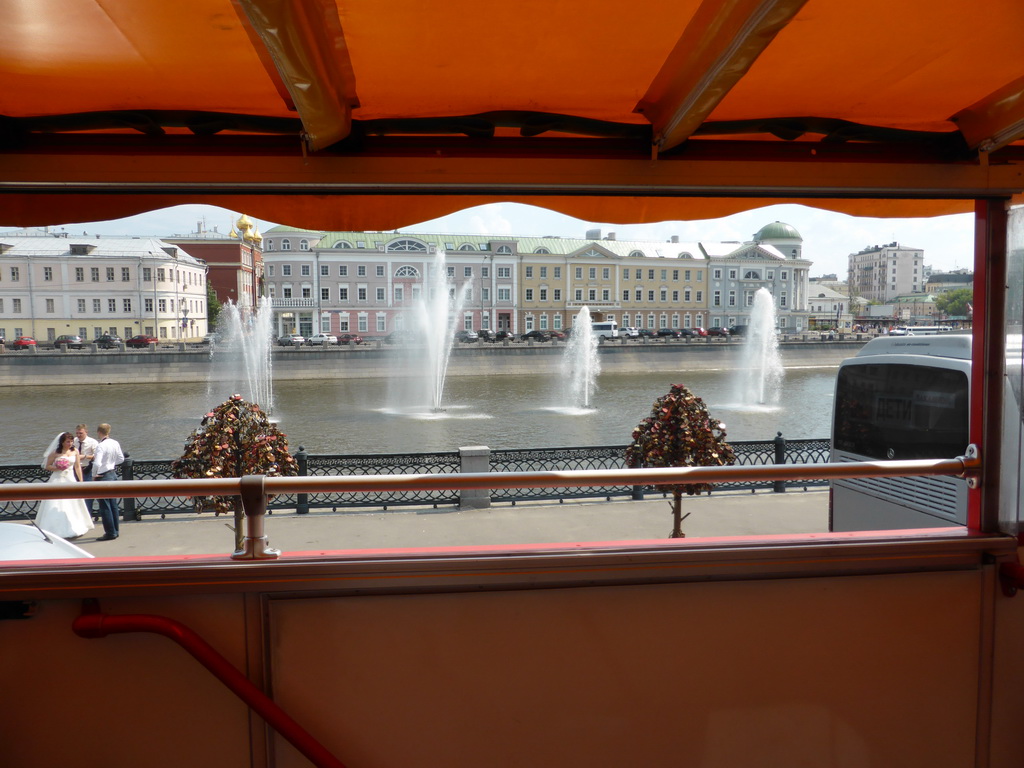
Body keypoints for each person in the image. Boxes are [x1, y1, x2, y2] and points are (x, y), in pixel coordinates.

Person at [35, 431, 94, 539]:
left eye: (71, 441)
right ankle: (53, 528)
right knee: (55, 502)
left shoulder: (75, 451)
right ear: (62, 442)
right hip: (57, 479)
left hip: (70, 479)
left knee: (72, 503)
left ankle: (75, 526)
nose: (70, 443)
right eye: (68, 441)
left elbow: (77, 467)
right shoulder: (55, 453)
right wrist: (57, 468)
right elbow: (47, 466)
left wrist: (80, 481)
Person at [92, 423, 125, 541]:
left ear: (98, 432)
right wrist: (111, 463)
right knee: (113, 504)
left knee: (104, 506)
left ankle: (110, 532)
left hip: (102, 476)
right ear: (108, 432)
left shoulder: (101, 446)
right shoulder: (115, 443)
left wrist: (93, 475)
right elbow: (121, 459)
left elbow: (96, 463)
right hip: (112, 474)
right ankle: (116, 530)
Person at [74, 423, 99, 519]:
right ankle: (78, 516)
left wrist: (84, 456)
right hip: (76, 469)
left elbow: (97, 456)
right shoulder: (74, 441)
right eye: (77, 433)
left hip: (87, 469)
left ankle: (88, 516)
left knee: (88, 494)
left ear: (86, 432)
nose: (78, 435)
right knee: (76, 494)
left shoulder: (92, 442)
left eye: (80, 433)